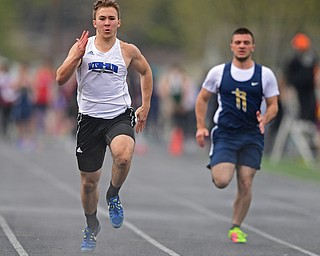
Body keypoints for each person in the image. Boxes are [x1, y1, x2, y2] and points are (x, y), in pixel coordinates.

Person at [55, 0, 153, 252]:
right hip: (89, 120)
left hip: (118, 116)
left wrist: (146, 104)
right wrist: (75, 57)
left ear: (118, 22)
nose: (107, 23)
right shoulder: (82, 48)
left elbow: (146, 71)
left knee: (123, 155)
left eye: (111, 18)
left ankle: (113, 194)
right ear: (94, 22)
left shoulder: (127, 50)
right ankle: (91, 226)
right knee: (89, 183)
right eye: (103, 18)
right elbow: (60, 78)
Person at [195, 28, 279, 244]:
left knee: (246, 182)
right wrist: (200, 126)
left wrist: (265, 118)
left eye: (246, 42)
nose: (242, 45)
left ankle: (236, 227)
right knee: (222, 181)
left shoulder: (265, 75)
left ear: (253, 46)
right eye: (238, 42)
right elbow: (203, 99)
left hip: (252, 134)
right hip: (226, 133)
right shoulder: (219, 73)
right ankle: (220, 163)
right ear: (231, 46)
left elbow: (273, 105)